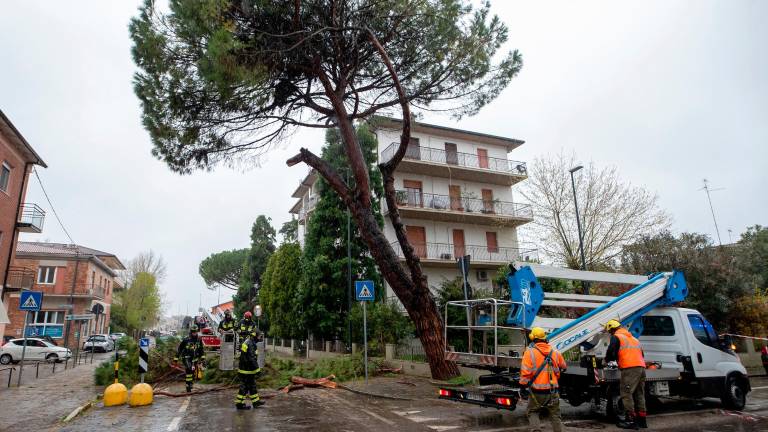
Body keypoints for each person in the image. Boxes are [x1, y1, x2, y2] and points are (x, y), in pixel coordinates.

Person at [519, 327, 567, 432]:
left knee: (533, 412)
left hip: (536, 392)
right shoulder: (555, 352)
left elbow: (525, 373)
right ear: (545, 338)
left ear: (533, 338)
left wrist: (522, 388)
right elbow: (564, 367)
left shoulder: (529, 352)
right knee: (555, 415)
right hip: (553, 391)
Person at [604, 319, 647, 429]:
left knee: (626, 394)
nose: (610, 334)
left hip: (630, 369)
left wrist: (606, 360)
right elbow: (642, 354)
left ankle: (631, 421)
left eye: (609, 332)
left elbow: (611, 352)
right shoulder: (634, 339)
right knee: (639, 394)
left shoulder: (616, 337)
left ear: (612, 329)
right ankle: (642, 421)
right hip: (641, 368)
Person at [235, 330, 263, 410]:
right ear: (254, 336)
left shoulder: (250, 342)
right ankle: (240, 404)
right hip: (246, 370)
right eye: (259, 336)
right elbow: (251, 359)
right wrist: (258, 370)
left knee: (252, 386)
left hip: (248, 370)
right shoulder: (250, 344)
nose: (260, 338)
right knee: (244, 387)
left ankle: (256, 402)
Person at [174, 325, 205, 392]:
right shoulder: (186, 339)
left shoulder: (199, 340)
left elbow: (201, 350)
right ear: (191, 332)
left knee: (193, 371)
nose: (194, 333)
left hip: (195, 359)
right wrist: (176, 359)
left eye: (195, 332)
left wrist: (202, 358)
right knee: (189, 369)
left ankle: (190, 383)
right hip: (186, 358)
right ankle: (188, 385)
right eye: (193, 332)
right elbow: (180, 349)